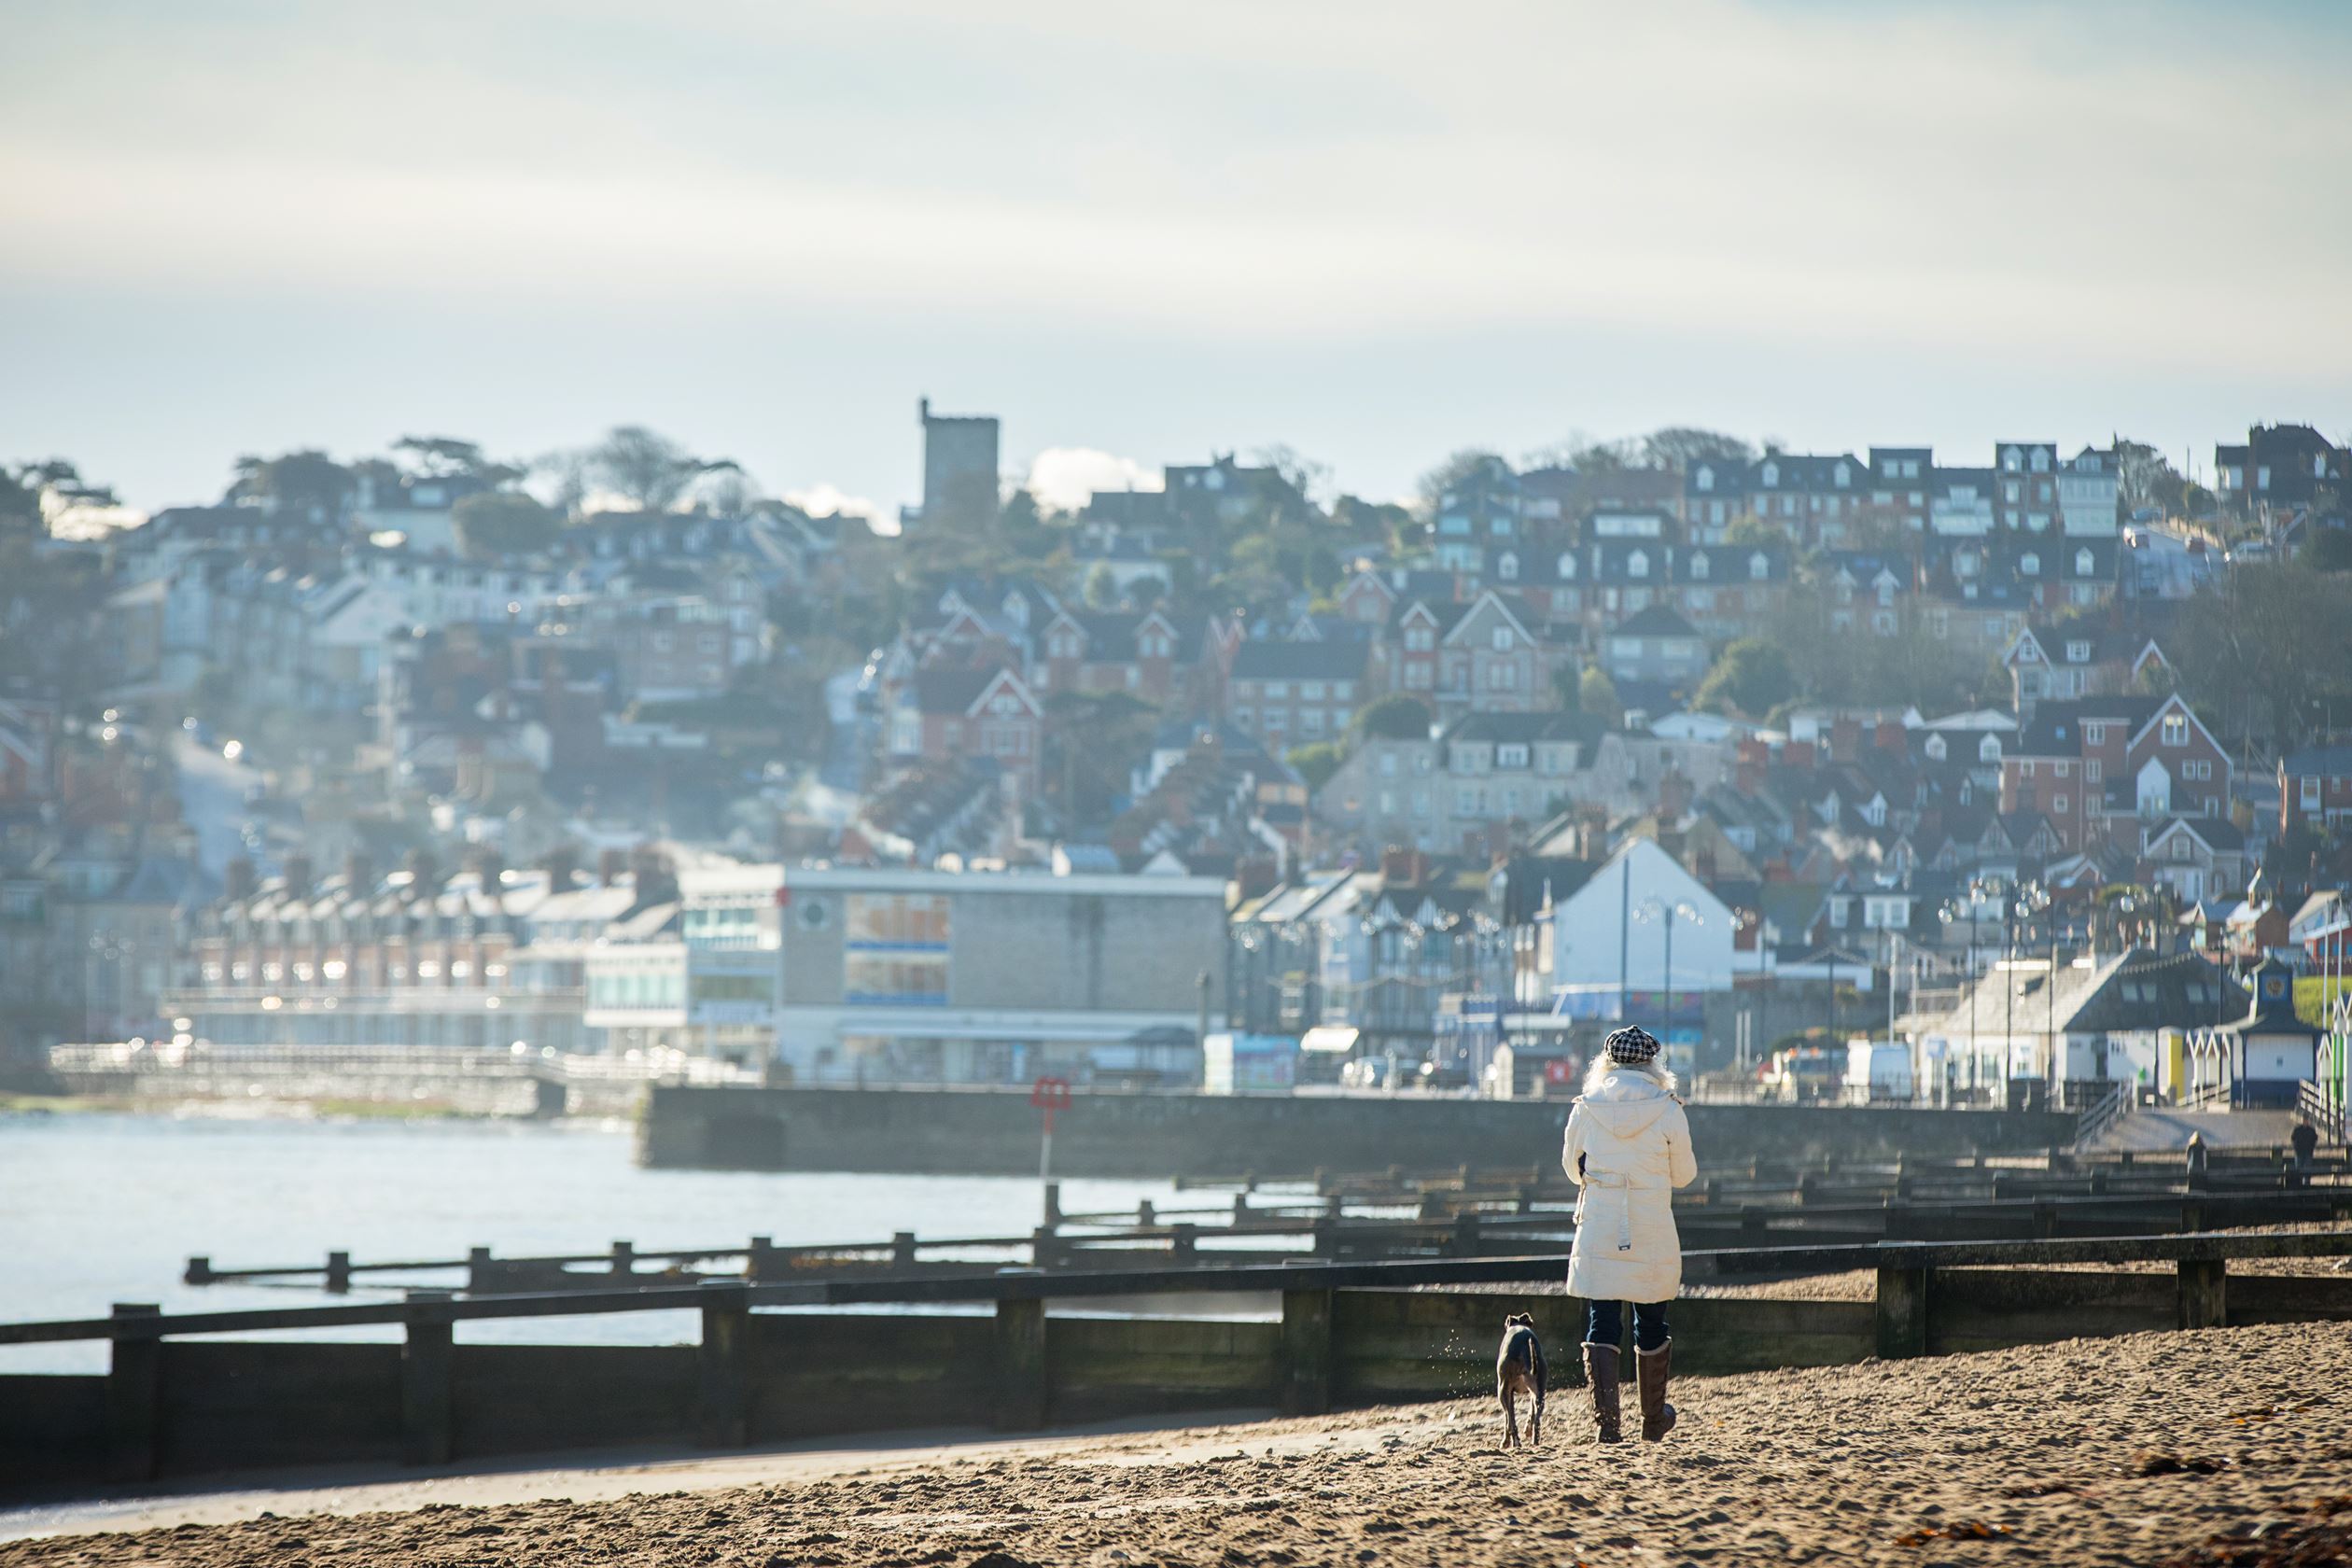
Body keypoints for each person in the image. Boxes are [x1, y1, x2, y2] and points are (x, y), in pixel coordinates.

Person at [1562, 1024, 1698, 1444]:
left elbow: (1571, 1169)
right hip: (1651, 1226)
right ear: (1652, 1064)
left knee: (1601, 1320)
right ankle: (1653, 1419)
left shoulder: (1586, 1107)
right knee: (1651, 1320)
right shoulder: (1669, 1110)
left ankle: (1608, 1425)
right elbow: (1685, 1176)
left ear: (1606, 1062)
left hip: (1600, 1226)